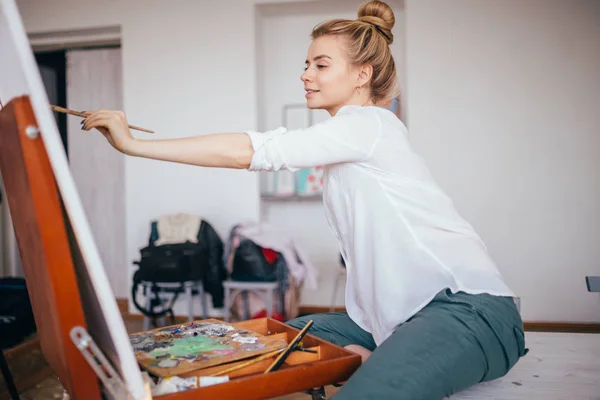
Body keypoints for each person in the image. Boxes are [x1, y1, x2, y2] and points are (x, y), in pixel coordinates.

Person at [81, 1, 527, 398]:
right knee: (259, 344)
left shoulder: (369, 123)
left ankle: (373, 369)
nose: (305, 74)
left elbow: (249, 152)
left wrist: (131, 145)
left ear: (362, 75)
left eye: (320, 64)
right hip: (391, 321)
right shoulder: (346, 139)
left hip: (467, 308)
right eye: (306, 64)